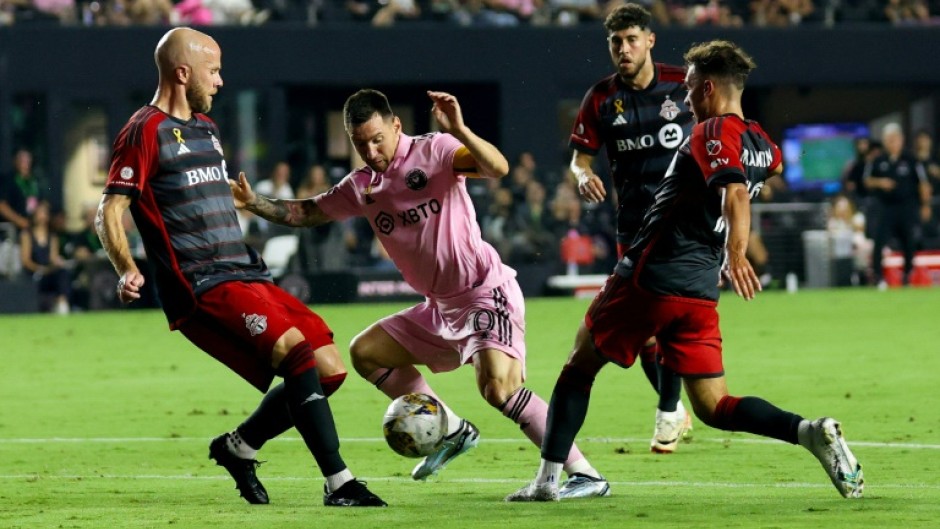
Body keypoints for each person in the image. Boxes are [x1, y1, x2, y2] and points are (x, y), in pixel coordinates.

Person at [506, 39, 864, 502]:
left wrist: (737, 251)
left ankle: (547, 481)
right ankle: (808, 432)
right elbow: (770, 167)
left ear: (709, 88)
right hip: (699, 291)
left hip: (651, 276)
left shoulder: (711, 130)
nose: (686, 99)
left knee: (579, 365)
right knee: (715, 405)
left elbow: (735, 191)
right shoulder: (760, 142)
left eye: (691, 88)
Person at [230, 88, 610, 499]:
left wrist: (460, 129)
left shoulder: (436, 150)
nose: (371, 151)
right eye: (360, 144)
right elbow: (307, 212)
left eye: (377, 139)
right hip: (440, 308)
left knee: (499, 390)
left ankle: (583, 473)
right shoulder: (362, 185)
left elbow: (497, 167)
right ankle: (451, 429)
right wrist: (254, 203)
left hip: (484, 292)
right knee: (366, 352)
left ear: (396, 126)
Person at [95, 27, 385, 508]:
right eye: (213, 71)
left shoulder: (207, 130)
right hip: (201, 282)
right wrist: (126, 267)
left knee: (329, 369)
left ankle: (241, 446)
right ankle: (340, 483)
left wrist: (247, 202)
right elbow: (110, 209)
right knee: (296, 354)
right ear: (182, 73)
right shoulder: (143, 130)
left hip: (246, 272)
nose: (220, 81)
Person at [568, 2, 695, 453]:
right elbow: (579, 159)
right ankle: (674, 408)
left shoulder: (684, 84)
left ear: (650, 41)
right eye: (616, 42)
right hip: (633, 226)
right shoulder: (601, 98)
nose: (623, 49)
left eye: (631, 40)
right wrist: (583, 176)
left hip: (685, 224)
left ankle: (667, 412)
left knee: (667, 318)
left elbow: (721, 121)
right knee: (642, 335)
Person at [863, 122, 932, 287]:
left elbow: (923, 184)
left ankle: (907, 275)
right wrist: (881, 182)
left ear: (901, 139)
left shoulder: (911, 159)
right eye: (889, 139)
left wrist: (925, 205)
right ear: (885, 141)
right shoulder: (878, 160)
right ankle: (878, 277)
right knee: (879, 241)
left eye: (895, 139)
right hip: (885, 207)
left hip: (907, 207)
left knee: (909, 241)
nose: (893, 143)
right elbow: (867, 180)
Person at [19, 200, 71, 314]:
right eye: (40, 213)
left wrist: (57, 263)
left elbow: (53, 258)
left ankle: (62, 302)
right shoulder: (26, 234)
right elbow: (26, 260)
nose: (43, 216)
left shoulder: (52, 236)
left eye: (45, 213)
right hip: (33, 272)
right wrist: (39, 269)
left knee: (63, 273)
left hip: (47, 271)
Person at [0, 148, 43, 233]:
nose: (25, 162)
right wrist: (20, 221)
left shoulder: (35, 181)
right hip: (12, 229)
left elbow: (42, 202)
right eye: (22, 159)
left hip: (33, 229)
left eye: (27, 159)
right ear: (15, 161)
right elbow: (2, 206)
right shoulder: (8, 180)